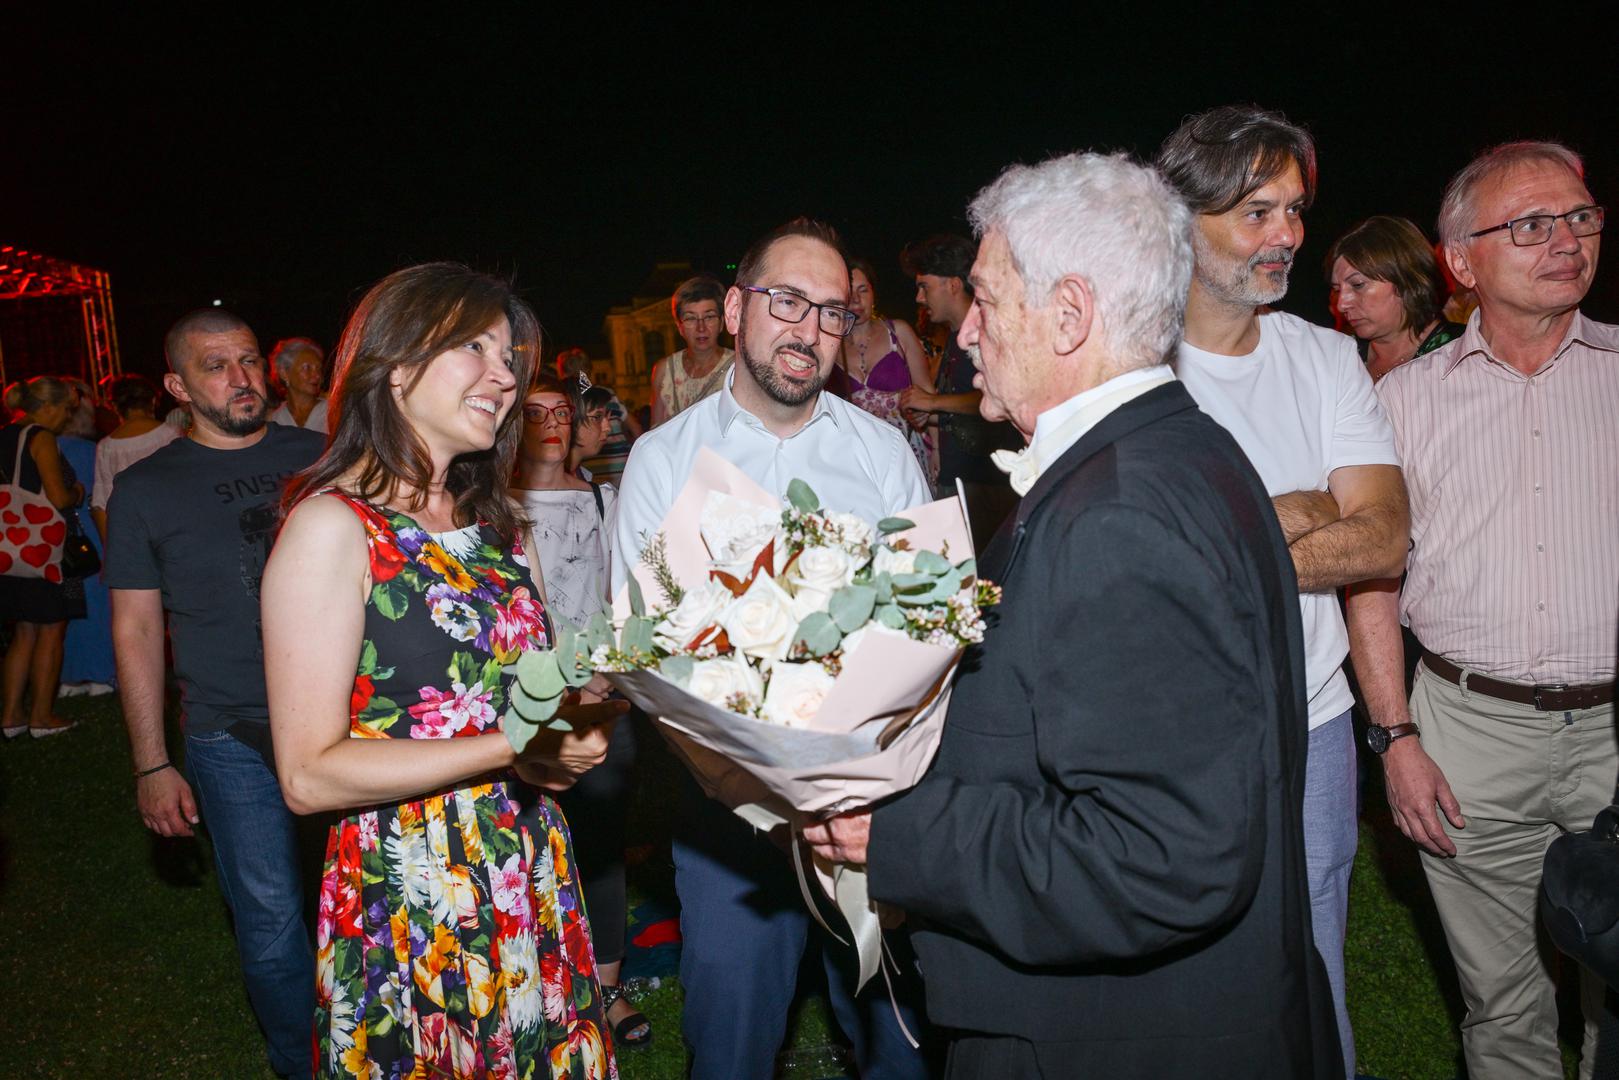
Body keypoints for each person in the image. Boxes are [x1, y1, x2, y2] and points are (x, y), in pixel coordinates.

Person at [805, 150, 1339, 1079]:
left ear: (1069, 314)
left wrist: (895, 834)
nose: (966, 330)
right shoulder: (1179, 450)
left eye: (984, 297)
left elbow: (1163, 857)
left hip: (1111, 1042)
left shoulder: (1119, 514)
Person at [262, 263, 625, 1080]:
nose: (505, 376)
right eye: (475, 348)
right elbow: (308, 774)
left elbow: (521, 699)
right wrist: (515, 745)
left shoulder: (496, 527)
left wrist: (581, 713)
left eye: (508, 357)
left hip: (524, 860)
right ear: (394, 367)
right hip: (417, 884)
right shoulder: (333, 528)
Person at [612, 218, 933, 1080]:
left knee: (894, 1038)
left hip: (866, 801)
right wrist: (752, 788)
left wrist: (867, 781)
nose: (809, 329)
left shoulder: (881, 452)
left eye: (831, 312)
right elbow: (647, 649)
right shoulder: (664, 459)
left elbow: (925, 620)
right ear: (735, 309)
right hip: (730, 812)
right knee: (731, 1039)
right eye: (787, 301)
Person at [1350, 140, 1617, 1080]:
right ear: (1460, 262)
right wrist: (1395, 737)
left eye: (1579, 217)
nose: (1566, 241)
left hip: (1616, 734)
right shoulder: (1399, 403)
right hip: (1466, 734)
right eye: (1530, 225)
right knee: (1501, 1006)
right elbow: (1372, 581)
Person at [1156, 104, 1410, 1078]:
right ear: (1180, 221)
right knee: (1177, 971)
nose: (1288, 235)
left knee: (1311, 968)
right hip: (1167, 727)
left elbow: (1381, 533)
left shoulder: (1322, 356)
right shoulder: (1125, 363)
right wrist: (1299, 509)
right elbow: (1123, 555)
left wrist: (1216, 540)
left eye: (1294, 209)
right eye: (1255, 212)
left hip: (1310, 722)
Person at [104, 308, 325, 1079]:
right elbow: (135, 628)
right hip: (232, 732)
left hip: (346, 719)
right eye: (216, 366)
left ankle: (383, 1045)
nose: (242, 378)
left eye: (249, 359)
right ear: (177, 386)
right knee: (270, 921)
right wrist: (151, 761)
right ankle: (302, 1064)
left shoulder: (321, 456)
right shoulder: (144, 489)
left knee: (368, 897)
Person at [511, 371, 649, 1049]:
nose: (552, 424)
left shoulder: (601, 495)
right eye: (534, 413)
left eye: (562, 412)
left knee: (599, 844)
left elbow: (625, 590)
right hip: (526, 698)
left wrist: (608, 678)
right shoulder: (493, 502)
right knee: (526, 848)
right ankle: (539, 989)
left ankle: (608, 988)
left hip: (597, 694)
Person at [896, 233, 1019, 550]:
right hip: (959, 482)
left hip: (987, 488)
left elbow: (999, 400)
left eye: (924, 287)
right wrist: (932, 415)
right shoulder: (954, 337)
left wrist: (933, 402)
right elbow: (966, 411)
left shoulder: (988, 334)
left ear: (952, 284)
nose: (919, 298)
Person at [0, 376, 86, 738]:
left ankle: (10, 717)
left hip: (11, 553)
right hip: (45, 555)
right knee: (52, 630)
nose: (67, 418)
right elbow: (58, 497)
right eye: (65, 409)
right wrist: (77, 491)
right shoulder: (40, 437)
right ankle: (42, 717)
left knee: (23, 632)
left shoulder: (4, 435)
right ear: (47, 406)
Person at [1327, 216, 1465, 382]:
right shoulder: (1339, 357)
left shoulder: (1465, 352)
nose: (1341, 304)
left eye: (1358, 285)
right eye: (1337, 290)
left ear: (1406, 280)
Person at [838, 256, 935, 482]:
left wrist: (939, 451)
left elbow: (928, 393)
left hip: (907, 453)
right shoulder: (830, 345)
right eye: (849, 292)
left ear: (874, 293)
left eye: (863, 290)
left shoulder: (898, 332)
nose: (856, 300)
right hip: (858, 461)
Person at [57, 379, 115, 695]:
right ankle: (99, 673)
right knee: (96, 602)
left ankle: (70, 675)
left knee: (68, 606)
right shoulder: (94, 452)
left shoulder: (43, 447)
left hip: (56, 536)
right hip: (89, 535)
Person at [90, 374, 181, 542]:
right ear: (153, 401)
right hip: (175, 528)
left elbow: (101, 504)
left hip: (133, 535)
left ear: (114, 406)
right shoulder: (173, 434)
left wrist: (113, 548)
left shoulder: (106, 447)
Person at [649, 275, 734, 427]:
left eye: (709, 317)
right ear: (680, 327)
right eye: (691, 318)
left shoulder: (738, 368)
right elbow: (655, 429)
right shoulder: (665, 371)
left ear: (722, 323)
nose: (701, 328)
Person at [562, 347, 641, 484]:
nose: (607, 427)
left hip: (597, 468)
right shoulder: (608, 394)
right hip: (620, 467)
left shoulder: (600, 396)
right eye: (597, 417)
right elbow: (636, 428)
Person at [266, 337, 330, 434]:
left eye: (319, 369)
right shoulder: (275, 420)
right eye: (307, 368)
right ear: (284, 374)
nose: (317, 375)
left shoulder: (333, 412)